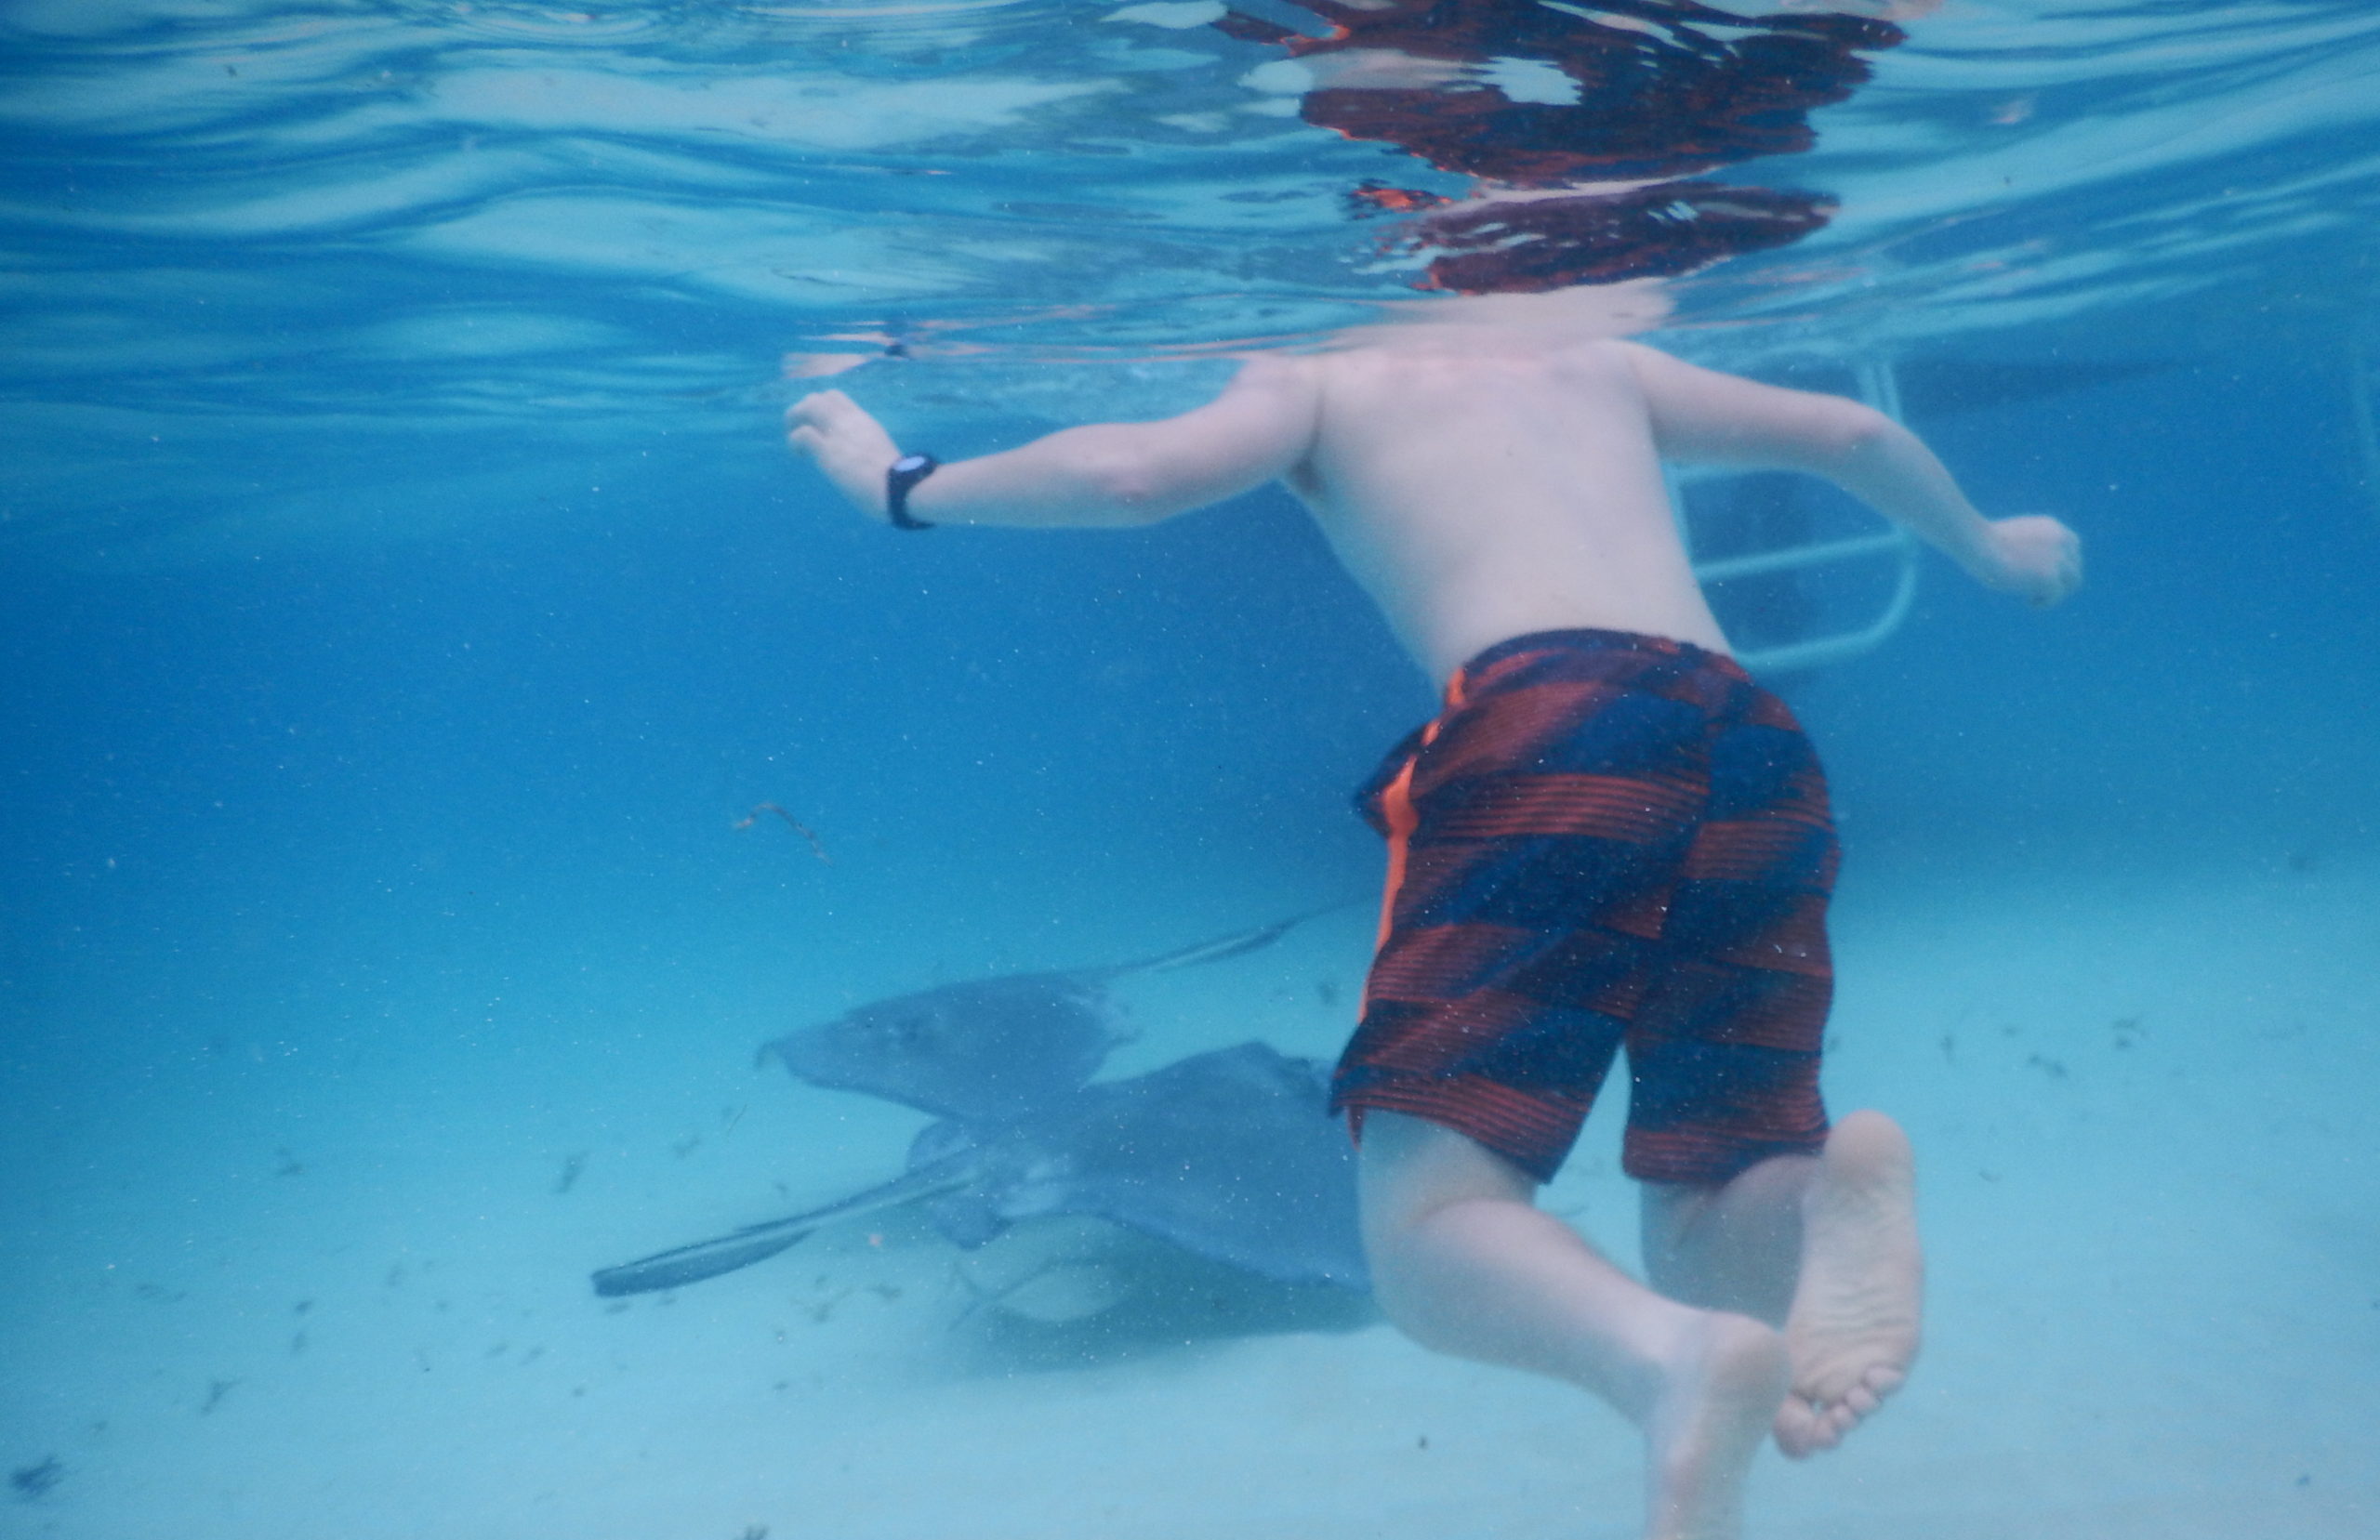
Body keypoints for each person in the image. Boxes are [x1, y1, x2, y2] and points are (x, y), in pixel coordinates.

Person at [786, 285, 2082, 1540]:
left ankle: (1663, 1365)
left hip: (1549, 721)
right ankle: (1815, 1215)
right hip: (1752, 739)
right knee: (1712, 1193)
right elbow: (1850, 431)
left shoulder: (1329, 367)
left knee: (1424, 1231)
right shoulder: (1595, 361)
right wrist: (1992, 546)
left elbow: (1136, 476)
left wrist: (905, 486)